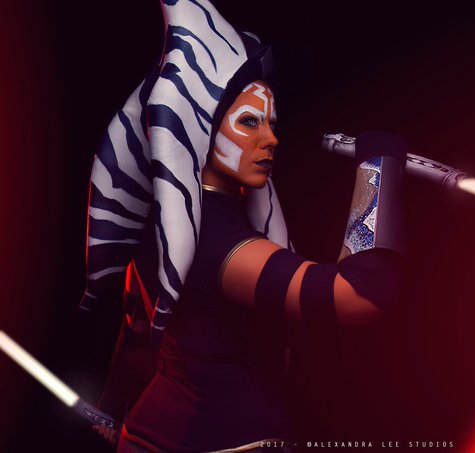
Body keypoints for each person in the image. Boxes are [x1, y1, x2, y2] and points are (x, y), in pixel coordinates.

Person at [81, 1, 406, 451]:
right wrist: (377, 167)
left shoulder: (162, 221)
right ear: (199, 128)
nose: (271, 138)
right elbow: (359, 295)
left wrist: (113, 407)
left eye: (271, 123)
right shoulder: (215, 240)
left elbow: (138, 331)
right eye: (249, 122)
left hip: (150, 436)